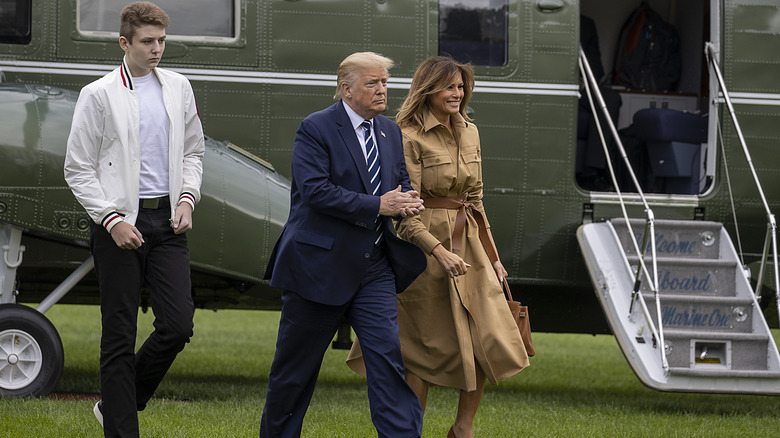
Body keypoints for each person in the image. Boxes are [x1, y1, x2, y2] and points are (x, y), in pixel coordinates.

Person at [347, 56, 529, 438]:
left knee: (488, 335)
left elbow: (476, 198)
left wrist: (493, 257)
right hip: (425, 249)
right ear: (428, 90)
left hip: (472, 246)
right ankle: (411, 430)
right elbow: (404, 210)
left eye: (461, 87)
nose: (457, 94)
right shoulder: (405, 135)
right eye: (449, 87)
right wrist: (438, 251)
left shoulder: (472, 131)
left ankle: (463, 428)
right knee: (422, 347)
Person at [260, 52, 427, 438]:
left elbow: (399, 180)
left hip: (374, 269)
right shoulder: (316, 128)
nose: (382, 90)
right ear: (346, 89)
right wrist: (379, 204)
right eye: (373, 83)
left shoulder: (390, 130)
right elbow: (315, 191)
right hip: (318, 266)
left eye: (385, 83)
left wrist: (407, 199)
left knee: (387, 362)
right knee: (294, 374)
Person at [63, 2, 205, 437]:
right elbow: (77, 167)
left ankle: (117, 403)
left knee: (178, 325)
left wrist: (187, 199)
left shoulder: (179, 87)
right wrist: (112, 220)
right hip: (118, 224)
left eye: (162, 40)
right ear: (124, 43)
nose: (157, 48)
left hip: (169, 222)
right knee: (119, 335)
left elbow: (194, 152)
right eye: (148, 41)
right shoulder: (98, 93)